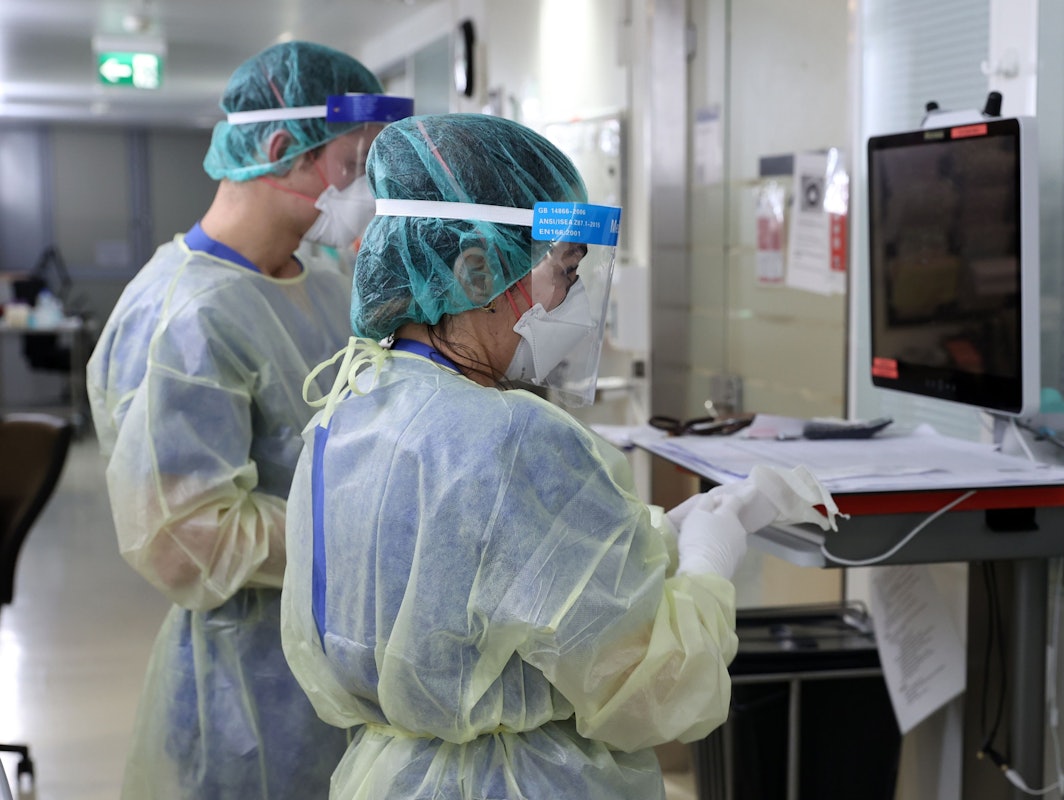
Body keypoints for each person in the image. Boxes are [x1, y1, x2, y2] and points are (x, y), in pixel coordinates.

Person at [279, 113, 841, 799]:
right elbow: (656, 692)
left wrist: (650, 537)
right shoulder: (509, 438)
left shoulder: (352, 403)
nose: (572, 299)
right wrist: (708, 558)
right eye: (562, 269)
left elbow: (468, 586)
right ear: (475, 267)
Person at [86, 41, 412, 799]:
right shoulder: (182, 319)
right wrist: (371, 532)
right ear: (278, 149)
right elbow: (182, 538)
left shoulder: (328, 287)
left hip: (346, 667)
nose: (363, 187)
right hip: (250, 694)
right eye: (351, 163)